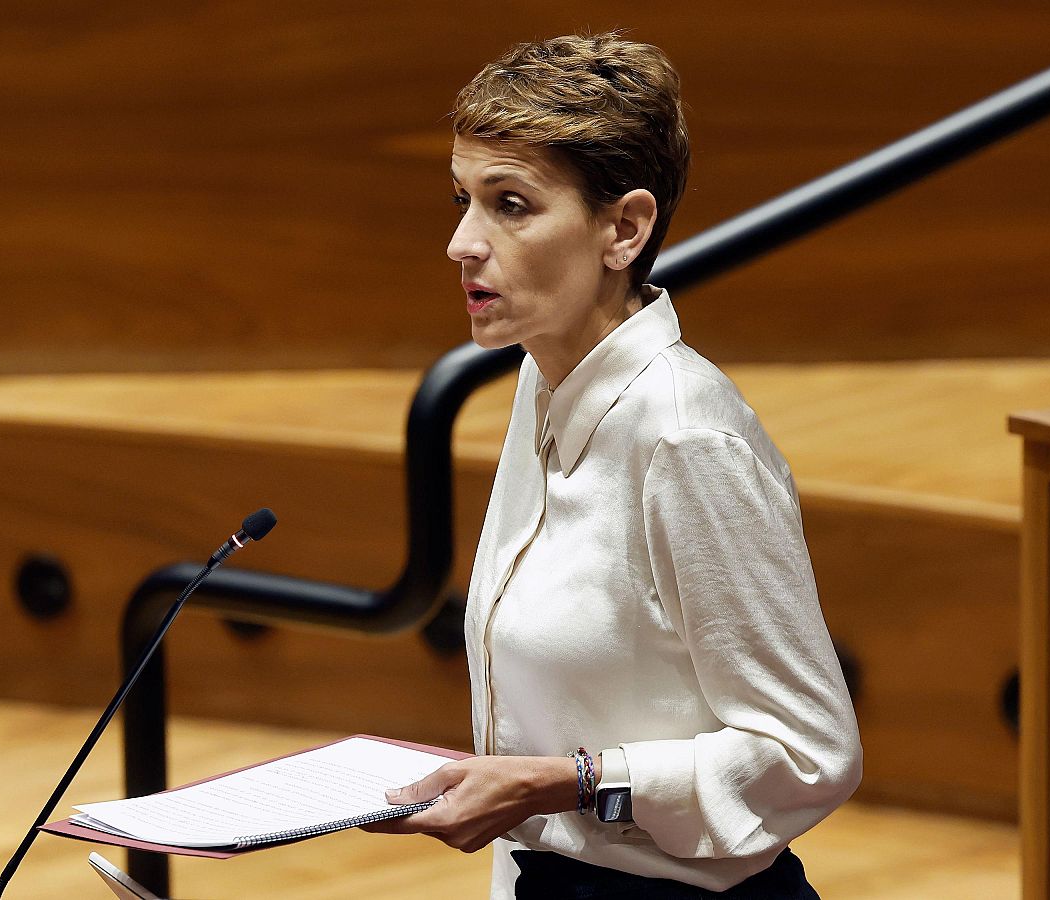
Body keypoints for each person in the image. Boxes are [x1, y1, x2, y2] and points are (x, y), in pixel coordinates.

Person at [362, 33, 862, 898]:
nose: (461, 243)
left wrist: (575, 782)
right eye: (462, 199)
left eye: (510, 205)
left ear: (623, 229)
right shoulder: (541, 376)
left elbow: (809, 754)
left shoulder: (686, 438)